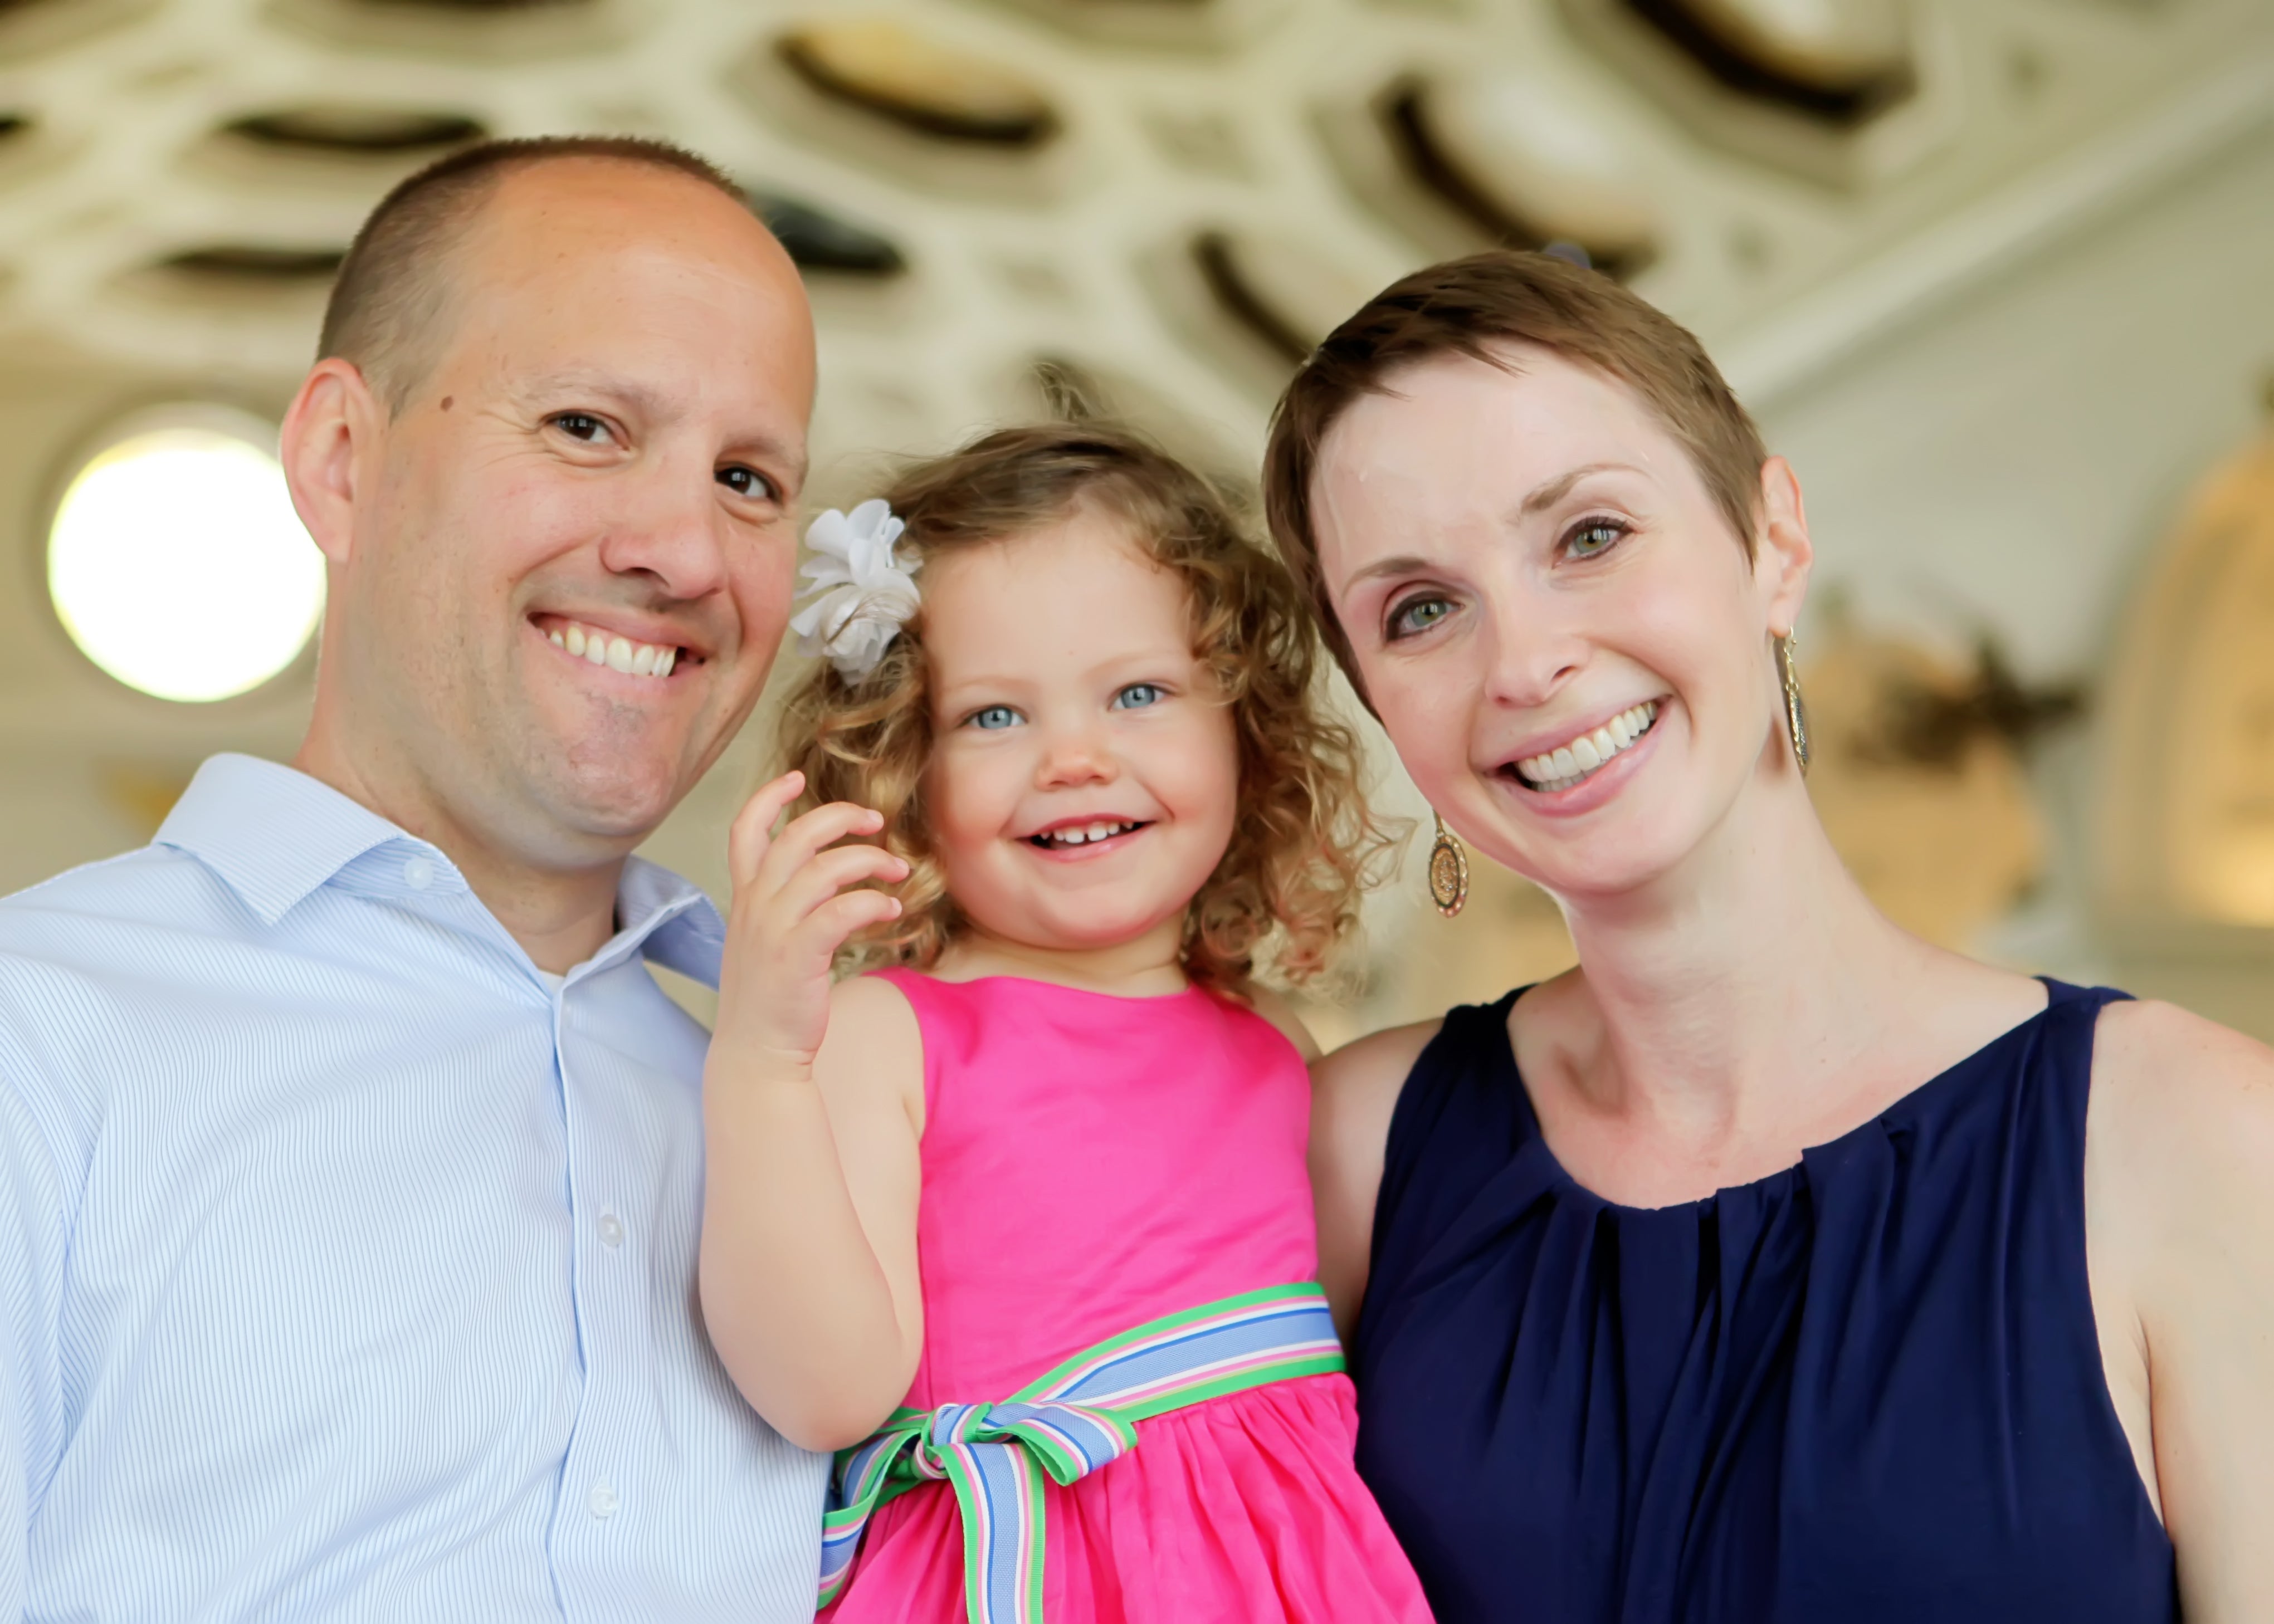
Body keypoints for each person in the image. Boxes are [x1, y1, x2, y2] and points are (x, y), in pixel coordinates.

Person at [1262, 250, 2274, 1622]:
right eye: (1421, 609)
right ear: (1383, 707)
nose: (1521, 662)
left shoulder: (2193, 1136)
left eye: (1589, 536)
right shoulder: (1349, 1151)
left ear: (1772, 541)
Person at [0, 138, 826, 1618]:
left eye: (749, 477)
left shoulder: (817, 1126)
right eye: (586, 425)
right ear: (339, 462)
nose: (687, 549)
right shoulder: (32, 1031)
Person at [696, 424, 1432, 1623]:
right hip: (1024, 1578)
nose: (1075, 758)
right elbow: (824, 1392)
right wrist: (762, 1058)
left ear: (1243, 730)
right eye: (993, 717)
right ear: (902, 769)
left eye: (1138, 694)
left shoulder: (1275, 1048)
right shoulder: (889, 1035)